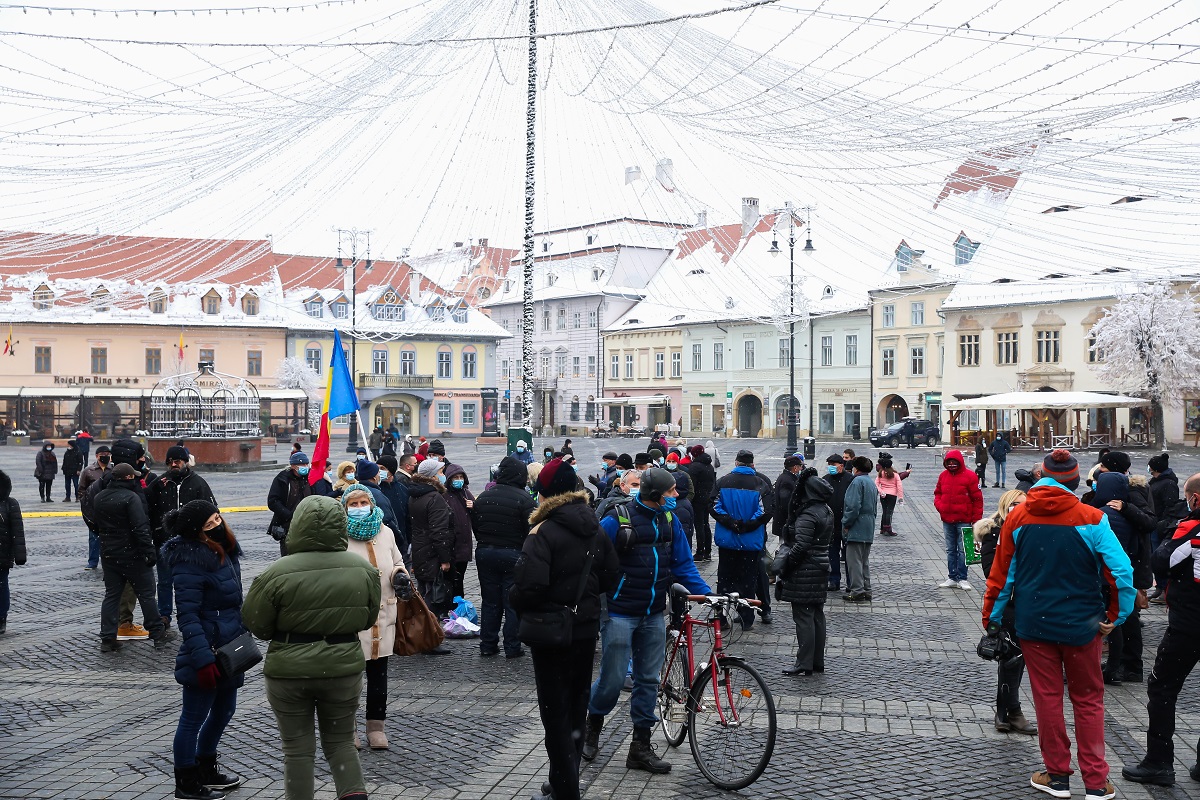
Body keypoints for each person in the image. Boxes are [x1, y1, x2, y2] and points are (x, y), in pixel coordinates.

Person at [982, 448, 1134, 800]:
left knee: (1048, 699)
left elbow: (1000, 579)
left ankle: (1057, 776)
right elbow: (1122, 574)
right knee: (1088, 700)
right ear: (1075, 480)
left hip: (1035, 625)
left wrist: (991, 621)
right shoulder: (1093, 518)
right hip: (1083, 625)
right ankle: (1096, 781)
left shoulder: (1018, 518)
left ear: (1042, 478)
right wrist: (1115, 616)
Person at [242, 496, 381, 800]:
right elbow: (367, 618)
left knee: (297, 750)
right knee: (341, 742)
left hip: (289, 672)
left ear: (297, 526)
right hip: (342, 668)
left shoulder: (276, 572)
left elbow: (258, 625)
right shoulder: (363, 569)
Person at [583, 466, 710, 774]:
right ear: (655, 496)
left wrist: (706, 595)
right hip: (619, 612)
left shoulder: (670, 519)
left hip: (654, 612)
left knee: (649, 681)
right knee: (613, 680)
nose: (676, 496)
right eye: (671, 492)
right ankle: (592, 725)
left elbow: (683, 563)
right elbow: (592, 563)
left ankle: (639, 747)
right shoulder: (617, 519)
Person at [510, 459, 619, 800]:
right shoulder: (595, 526)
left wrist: (518, 598)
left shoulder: (543, 532)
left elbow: (529, 588)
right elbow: (612, 576)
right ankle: (560, 780)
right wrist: (582, 599)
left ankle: (565, 790)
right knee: (575, 706)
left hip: (551, 632)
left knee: (554, 713)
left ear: (545, 493)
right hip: (585, 630)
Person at [160, 501, 246, 800]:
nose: (218, 525)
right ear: (197, 531)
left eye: (218, 518)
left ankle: (206, 765)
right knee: (192, 718)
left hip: (230, 645)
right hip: (207, 650)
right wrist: (202, 657)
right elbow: (187, 615)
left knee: (225, 710)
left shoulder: (224, 550)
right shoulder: (191, 560)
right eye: (210, 524)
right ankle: (186, 781)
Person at [1122, 472, 1200, 787]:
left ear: (1195, 499)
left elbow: (1162, 561)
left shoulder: (1192, 527)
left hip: (1190, 623)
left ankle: (1159, 761)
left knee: (1162, 688)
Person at [339, 484, 407, 751]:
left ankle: (376, 726)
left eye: (362, 503)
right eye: (353, 505)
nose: (359, 508)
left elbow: (398, 562)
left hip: (383, 614)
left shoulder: (386, 532)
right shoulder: (338, 535)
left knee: (379, 677)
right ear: (345, 508)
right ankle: (348, 729)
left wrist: (399, 575)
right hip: (351, 616)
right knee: (350, 678)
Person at [974, 489, 1037, 735]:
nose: (1020, 509)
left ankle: (1007, 711)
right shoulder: (994, 532)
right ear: (1006, 506)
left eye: (1024, 505)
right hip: (1007, 604)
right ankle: (1010, 711)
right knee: (1009, 658)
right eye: (1016, 505)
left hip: (1029, 603)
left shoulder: (1029, 530)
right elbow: (991, 571)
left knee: (1018, 660)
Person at [94, 463, 170, 651]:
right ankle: (157, 633)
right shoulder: (131, 498)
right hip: (133, 554)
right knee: (146, 594)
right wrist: (149, 552)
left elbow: (96, 525)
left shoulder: (99, 497)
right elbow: (140, 528)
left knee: (111, 595)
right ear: (128, 478)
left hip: (109, 555)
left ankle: (107, 637)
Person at [470, 456, 536, 658]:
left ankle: (488, 644)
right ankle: (512, 646)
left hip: (485, 552)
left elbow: (476, 526)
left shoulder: (483, 496)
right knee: (512, 602)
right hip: (513, 554)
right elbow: (531, 531)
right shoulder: (525, 500)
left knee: (490, 602)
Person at [148, 445, 218, 631]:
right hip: (164, 541)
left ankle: (190, 614)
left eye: (177, 461)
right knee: (164, 581)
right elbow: (148, 508)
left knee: (190, 582)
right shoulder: (160, 483)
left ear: (185, 462)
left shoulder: (198, 483)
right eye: (170, 462)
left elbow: (212, 510)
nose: (173, 464)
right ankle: (164, 614)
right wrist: (155, 530)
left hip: (191, 543)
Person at [1085, 472, 1144, 686]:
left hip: (1102, 576)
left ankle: (1100, 668)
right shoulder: (1129, 513)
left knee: (1101, 622)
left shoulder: (1098, 516)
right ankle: (1116, 667)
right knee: (1121, 621)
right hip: (1124, 575)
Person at [774, 470, 834, 676]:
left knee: (804, 617)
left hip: (805, 570)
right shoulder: (825, 510)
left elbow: (801, 546)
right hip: (820, 566)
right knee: (816, 615)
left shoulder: (808, 514)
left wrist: (786, 564)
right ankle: (817, 660)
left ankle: (804, 662)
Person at [711, 450, 773, 630]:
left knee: (724, 579)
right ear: (752, 464)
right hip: (750, 541)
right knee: (748, 580)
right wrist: (748, 525)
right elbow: (766, 510)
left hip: (727, 540)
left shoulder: (723, 481)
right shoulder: (760, 483)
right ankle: (746, 618)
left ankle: (721, 619)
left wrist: (730, 522)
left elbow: (713, 505)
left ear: (736, 462)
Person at [408, 459, 454, 650]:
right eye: (441, 471)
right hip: (432, 552)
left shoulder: (415, 495)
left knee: (424, 593)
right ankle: (430, 639)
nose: (443, 475)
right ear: (433, 476)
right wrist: (445, 559)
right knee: (432, 598)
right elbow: (439, 531)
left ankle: (423, 636)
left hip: (419, 549)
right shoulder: (434, 498)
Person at [934, 449, 983, 591]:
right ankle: (952, 577)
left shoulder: (970, 477)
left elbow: (977, 499)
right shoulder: (943, 476)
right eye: (949, 462)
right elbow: (938, 493)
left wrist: (976, 520)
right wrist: (940, 506)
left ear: (959, 462)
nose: (951, 465)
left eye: (954, 462)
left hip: (965, 520)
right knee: (951, 550)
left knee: (964, 550)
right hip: (947, 519)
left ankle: (962, 578)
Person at [1146, 453, 1184, 601]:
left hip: (1160, 525)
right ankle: (1159, 587)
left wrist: (1162, 522)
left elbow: (1170, 506)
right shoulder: (1158, 480)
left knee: (1159, 557)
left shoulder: (1168, 483)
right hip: (1155, 522)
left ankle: (1164, 589)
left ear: (1155, 468)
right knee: (1154, 557)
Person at [841, 456, 878, 603]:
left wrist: (846, 523)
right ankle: (866, 589)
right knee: (864, 561)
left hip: (857, 526)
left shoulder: (856, 482)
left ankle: (857, 590)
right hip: (868, 525)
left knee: (854, 561)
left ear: (856, 468)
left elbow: (853, 506)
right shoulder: (870, 482)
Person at [267, 453, 313, 557]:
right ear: (293, 466)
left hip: (308, 524)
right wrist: (289, 515)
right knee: (289, 555)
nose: (305, 467)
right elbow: (273, 501)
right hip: (287, 525)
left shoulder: (310, 478)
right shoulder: (282, 479)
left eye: (306, 464)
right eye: (301, 465)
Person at [442, 464, 474, 600]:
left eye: (461, 477)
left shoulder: (466, 493)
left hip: (464, 546)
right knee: (452, 582)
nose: (459, 480)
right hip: (452, 546)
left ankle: (457, 606)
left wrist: (473, 506)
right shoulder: (444, 496)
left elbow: (476, 515)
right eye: (455, 477)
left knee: (459, 580)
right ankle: (452, 606)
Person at [823, 454, 854, 592]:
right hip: (830, 524)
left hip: (847, 523)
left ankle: (850, 581)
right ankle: (833, 580)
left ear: (841, 465)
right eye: (829, 464)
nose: (831, 467)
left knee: (849, 555)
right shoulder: (825, 480)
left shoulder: (850, 480)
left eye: (833, 464)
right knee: (832, 553)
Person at [0, 469, 26, 636]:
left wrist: (20, 555)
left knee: (2, 586)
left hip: (2, 553)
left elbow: (18, 531)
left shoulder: (10, 504)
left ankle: (1, 617)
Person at [80, 445, 112, 570]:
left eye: (108, 454)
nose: (105, 456)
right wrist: (86, 504)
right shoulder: (89, 471)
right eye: (102, 454)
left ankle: (108, 560)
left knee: (110, 537)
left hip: (111, 508)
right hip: (94, 508)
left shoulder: (113, 470)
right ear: (97, 456)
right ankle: (92, 561)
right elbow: (82, 489)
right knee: (93, 536)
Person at [684, 445, 716, 561]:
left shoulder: (695, 467)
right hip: (707, 498)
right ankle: (707, 551)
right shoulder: (709, 466)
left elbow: (692, 485)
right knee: (705, 524)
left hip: (697, 500)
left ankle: (700, 552)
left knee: (699, 526)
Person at [875, 453, 904, 537]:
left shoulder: (881, 473)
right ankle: (888, 529)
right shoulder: (895, 475)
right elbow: (899, 486)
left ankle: (883, 529)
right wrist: (900, 497)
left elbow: (876, 484)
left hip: (883, 495)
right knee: (889, 512)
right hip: (892, 495)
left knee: (884, 511)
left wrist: (881, 491)